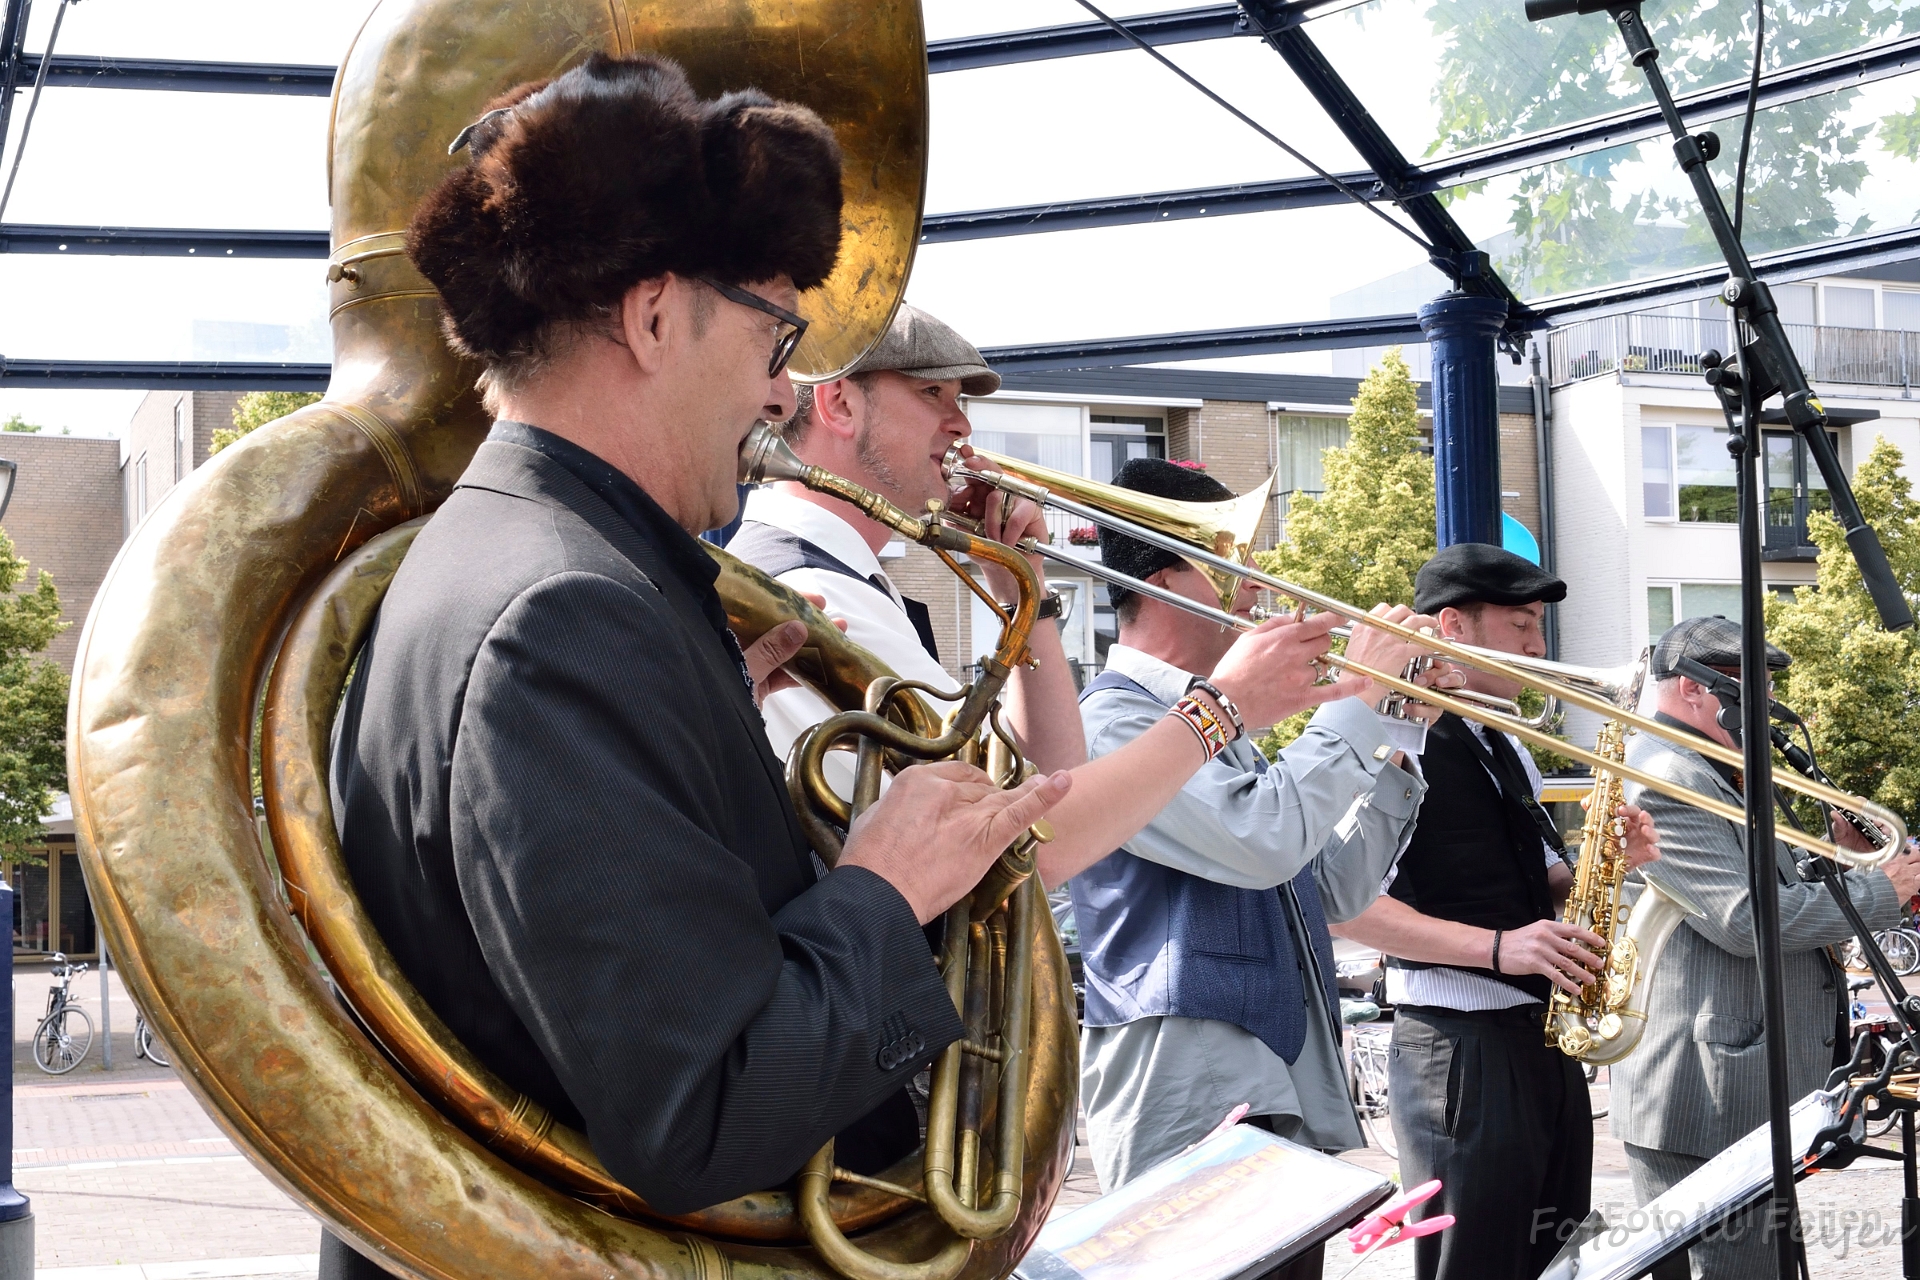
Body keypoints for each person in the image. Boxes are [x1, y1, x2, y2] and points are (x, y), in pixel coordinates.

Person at [324, 55, 1075, 1277]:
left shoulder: (536, 570)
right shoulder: (564, 616)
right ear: (657, 315)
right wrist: (887, 883)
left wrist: (700, 724)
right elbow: (709, 1105)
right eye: (777, 332)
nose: (782, 391)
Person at [731, 305, 1444, 884]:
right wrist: (1221, 711)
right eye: (931, 395)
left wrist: (1025, 592)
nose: (962, 426)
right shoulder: (809, 584)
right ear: (838, 402)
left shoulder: (854, 575)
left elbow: (1043, 788)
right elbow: (1031, 845)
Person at [1070, 459, 1452, 1278]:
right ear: (1170, 575)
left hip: (1274, 1068)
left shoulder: (1217, 728)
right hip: (1183, 1074)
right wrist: (1353, 700)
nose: (1257, 589)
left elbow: (1334, 891)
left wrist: (1399, 733)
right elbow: (1263, 839)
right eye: (1233, 561)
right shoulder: (1112, 720)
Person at [1332, 543, 1660, 1280]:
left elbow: (1530, 882)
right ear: (1452, 626)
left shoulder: (1504, 737)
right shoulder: (1390, 736)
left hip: (1537, 1040)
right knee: (1472, 1266)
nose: (1540, 648)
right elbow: (1345, 912)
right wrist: (1499, 948)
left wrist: (1604, 867)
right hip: (1458, 1048)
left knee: (1556, 1260)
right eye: (1521, 625)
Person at [1610, 616, 1920, 1280]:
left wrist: (1851, 863)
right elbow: (1745, 921)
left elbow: (1780, 889)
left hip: (1738, 1087)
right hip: (1706, 1093)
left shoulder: (1717, 768)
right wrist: (1882, 892)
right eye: (1752, 689)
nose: (1768, 708)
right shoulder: (1670, 775)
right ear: (1695, 690)